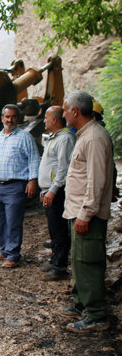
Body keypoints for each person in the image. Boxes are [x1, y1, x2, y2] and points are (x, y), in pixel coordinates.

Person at [60, 91, 115, 332]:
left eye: (64, 110)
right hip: (78, 212)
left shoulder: (93, 138)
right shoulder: (86, 135)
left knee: (88, 262)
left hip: (86, 215)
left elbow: (97, 181)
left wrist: (86, 213)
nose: (63, 114)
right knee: (79, 261)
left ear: (75, 112)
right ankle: (82, 303)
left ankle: (96, 316)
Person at [0, 104, 40, 268]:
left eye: (13, 117)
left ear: (18, 119)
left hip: (16, 186)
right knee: (0, 221)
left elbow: (34, 159)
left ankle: (13, 255)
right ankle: (5, 250)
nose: (10, 120)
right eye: (7, 116)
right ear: (2, 118)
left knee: (13, 221)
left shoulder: (25, 137)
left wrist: (33, 180)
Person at [37, 106, 75, 280]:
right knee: (53, 227)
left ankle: (60, 267)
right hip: (50, 190)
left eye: (46, 117)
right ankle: (54, 260)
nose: (44, 120)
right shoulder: (55, 138)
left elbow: (63, 169)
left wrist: (52, 190)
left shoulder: (65, 139)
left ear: (54, 119)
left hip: (57, 191)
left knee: (59, 228)